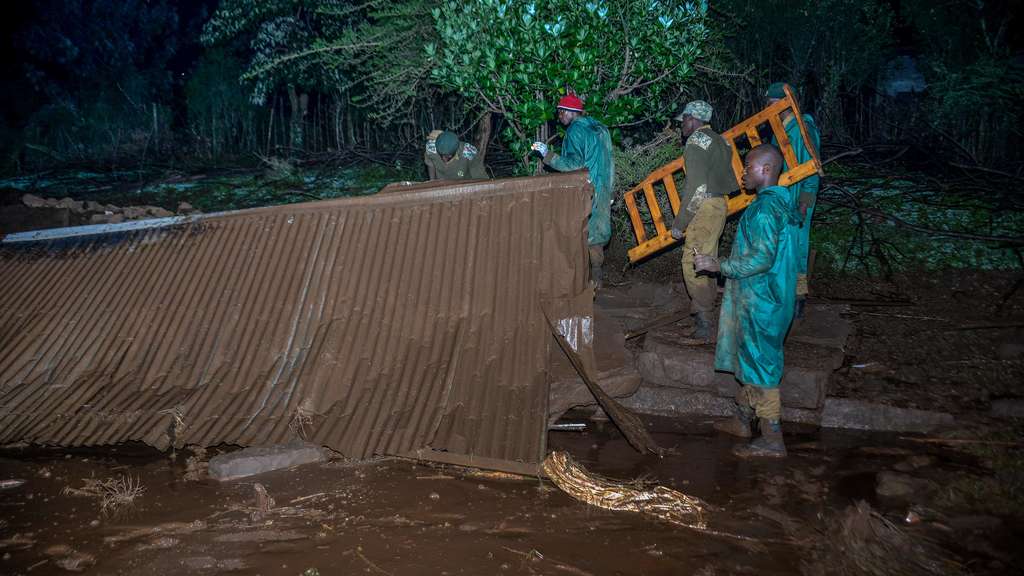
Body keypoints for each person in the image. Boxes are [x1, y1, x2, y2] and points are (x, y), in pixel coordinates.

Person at [694, 144, 802, 458]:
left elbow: (762, 258)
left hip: (761, 299)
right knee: (754, 359)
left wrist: (719, 265)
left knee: (762, 365)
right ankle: (742, 420)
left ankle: (772, 438)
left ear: (766, 169)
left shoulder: (765, 209)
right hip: (774, 296)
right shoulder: (784, 204)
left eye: (748, 166)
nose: (743, 173)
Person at [669, 100, 740, 344]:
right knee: (707, 259)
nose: (681, 126)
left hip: (705, 206)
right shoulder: (721, 141)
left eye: (684, 121)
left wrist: (680, 222)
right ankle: (706, 315)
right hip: (720, 205)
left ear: (692, 119)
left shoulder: (696, 143)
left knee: (692, 262)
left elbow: (697, 188)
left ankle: (704, 324)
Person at [530, 94, 614, 288]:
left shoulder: (575, 131)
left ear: (570, 112)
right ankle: (597, 278)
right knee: (597, 235)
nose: (559, 116)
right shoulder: (601, 128)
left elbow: (573, 165)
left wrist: (547, 154)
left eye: (561, 112)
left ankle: (576, 283)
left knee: (575, 233)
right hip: (602, 188)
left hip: (585, 190)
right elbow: (610, 161)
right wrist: (610, 191)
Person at [766, 82, 820, 319]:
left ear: (785, 104)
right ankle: (779, 294)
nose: (767, 107)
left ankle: (798, 299)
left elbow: (812, 170)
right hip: (781, 198)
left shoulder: (803, 128)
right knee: (779, 246)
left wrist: (804, 203)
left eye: (771, 102)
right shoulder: (780, 129)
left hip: (798, 199)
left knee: (797, 247)